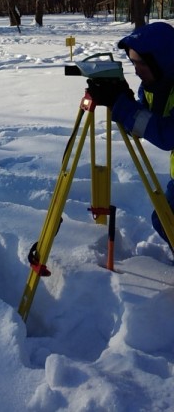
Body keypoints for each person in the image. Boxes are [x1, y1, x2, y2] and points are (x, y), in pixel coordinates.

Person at [92, 21, 174, 255]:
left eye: (140, 63)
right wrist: (122, 101)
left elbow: (167, 134)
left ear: (162, 62)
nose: (135, 69)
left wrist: (123, 106)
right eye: (132, 62)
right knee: (164, 220)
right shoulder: (155, 86)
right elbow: (143, 124)